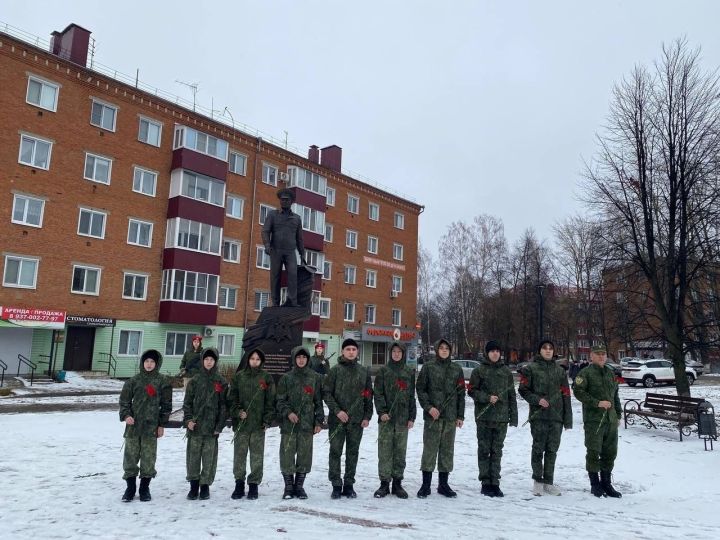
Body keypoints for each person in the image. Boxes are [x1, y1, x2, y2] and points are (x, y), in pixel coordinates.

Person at [518, 339, 573, 496]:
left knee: (552, 450)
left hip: (556, 417)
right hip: (539, 417)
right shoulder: (531, 369)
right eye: (544, 348)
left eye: (550, 348)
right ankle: (538, 480)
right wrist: (537, 400)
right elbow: (523, 390)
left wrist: (567, 420)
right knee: (538, 449)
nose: (548, 350)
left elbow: (566, 395)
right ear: (539, 351)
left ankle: (548, 481)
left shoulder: (560, 371)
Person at [119, 349, 172, 502]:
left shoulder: (163, 382)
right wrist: (127, 415)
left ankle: (144, 488)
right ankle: (130, 488)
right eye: (147, 361)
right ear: (143, 363)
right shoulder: (133, 381)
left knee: (148, 458)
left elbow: (166, 405)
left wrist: (161, 425)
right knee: (130, 458)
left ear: (157, 364)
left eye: (152, 362)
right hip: (133, 426)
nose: (149, 364)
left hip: (151, 427)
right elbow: (124, 401)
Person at [323, 338, 373, 499]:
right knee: (335, 452)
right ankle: (336, 484)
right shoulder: (335, 371)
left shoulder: (363, 371)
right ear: (342, 351)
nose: (351, 352)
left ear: (357, 352)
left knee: (353, 452)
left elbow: (368, 395)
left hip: (356, 421)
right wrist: (337, 411)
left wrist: (367, 416)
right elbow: (327, 393)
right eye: (348, 349)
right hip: (337, 420)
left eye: (354, 349)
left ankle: (349, 484)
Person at [415, 338, 465, 498]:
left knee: (447, 451)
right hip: (433, 418)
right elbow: (421, 389)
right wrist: (429, 408)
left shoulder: (456, 369)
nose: (444, 350)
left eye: (446, 348)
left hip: (450, 417)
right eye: (441, 348)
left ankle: (443, 485)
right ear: (436, 350)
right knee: (429, 450)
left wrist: (460, 415)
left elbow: (461, 393)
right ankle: (426, 485)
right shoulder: (429, 367)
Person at [469, 340, 518, 497]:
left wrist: (513, 416)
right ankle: (485, 482)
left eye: (497, 351)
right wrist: (486, 397)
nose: (495, 353)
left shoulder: (506, 372)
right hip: (484, 417)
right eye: (492, 351)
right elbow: (471, 391)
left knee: (497, 451)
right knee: (484, 450)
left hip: (501, 418)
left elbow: (512, 395)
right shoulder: (479, 371)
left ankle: (495, 482)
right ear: (487, 353)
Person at [572, 345, 622, 498]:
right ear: (591, 356)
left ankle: (607, 483)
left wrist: (618, 414)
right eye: (597, 354)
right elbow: (578, 391)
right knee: (594, 451)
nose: (601, 357)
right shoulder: (585, 373)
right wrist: (597, 403)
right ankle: (595, 484)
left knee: (610, 453)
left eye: (603, 354)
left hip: (610, 420)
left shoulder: (610, 373)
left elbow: (615, 395)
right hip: (594, 420)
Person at [276, 346, 325, 499]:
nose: (301, 360)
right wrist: (288, 413)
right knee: (287, 455)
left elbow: (318, 401)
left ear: (308, 359)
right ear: (294, 359)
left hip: (306, 425)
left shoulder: (314, 377)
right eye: (298, 357)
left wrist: (318, 421)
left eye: (304, 357)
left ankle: (299, 486)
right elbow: (280, 400)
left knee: (304, 456)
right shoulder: (286, 378)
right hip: (289, 425)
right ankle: (288, 487)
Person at [228, 348, 275, 500]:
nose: (254, 361)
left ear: (261, 361)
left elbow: (270, 400)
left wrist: (267, 420)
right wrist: (238, 412)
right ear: (248, 360)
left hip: (258, 425)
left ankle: (254, 484)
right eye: (252, 358)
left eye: (257, 359)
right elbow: (231, 398)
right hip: (242, 425)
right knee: (239, 455)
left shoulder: (266, 377)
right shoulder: (239, 377)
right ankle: (239, 483)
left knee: (257, 456)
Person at [372, 342, 416, 499]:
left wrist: (412, 416)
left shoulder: (409, 371)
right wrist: (382, 412)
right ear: (390, 353)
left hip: (402, 419)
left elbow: (411, 395)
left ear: (403, 354)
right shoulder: (384, 371)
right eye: (394, 351)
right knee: (384, 452)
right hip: (386, 419)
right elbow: (378, 393)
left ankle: (397, 483)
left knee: (400, 452)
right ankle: (384, 483)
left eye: (399, 352)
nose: (396, 354)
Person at [183, 347, 228, 501]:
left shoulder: (221, 381)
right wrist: (188, 420)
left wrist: (219, 426)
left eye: (212, 360)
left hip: (211, 429)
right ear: (202, 361)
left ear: (215, 362)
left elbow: (224, 406)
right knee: (193, 458)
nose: (209, 362)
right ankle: (193, 486)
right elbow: (187, 403)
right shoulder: (195, 381)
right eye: (206, 359)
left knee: (209, 459)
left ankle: (205, 486)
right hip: (195, 428)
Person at [261, 188, 305, 307]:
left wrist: (302, 253)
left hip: (290, 251)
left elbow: (299, 238)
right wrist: (267, 245)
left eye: (287, 200)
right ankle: (275, 303)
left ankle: (292, 301)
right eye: (282, 200)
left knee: (292, 275)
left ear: (291, 202)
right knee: (275, 277)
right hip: (276, 250)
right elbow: (265, 231)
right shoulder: (272, 215)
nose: (284, 202)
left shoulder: (297, 218)